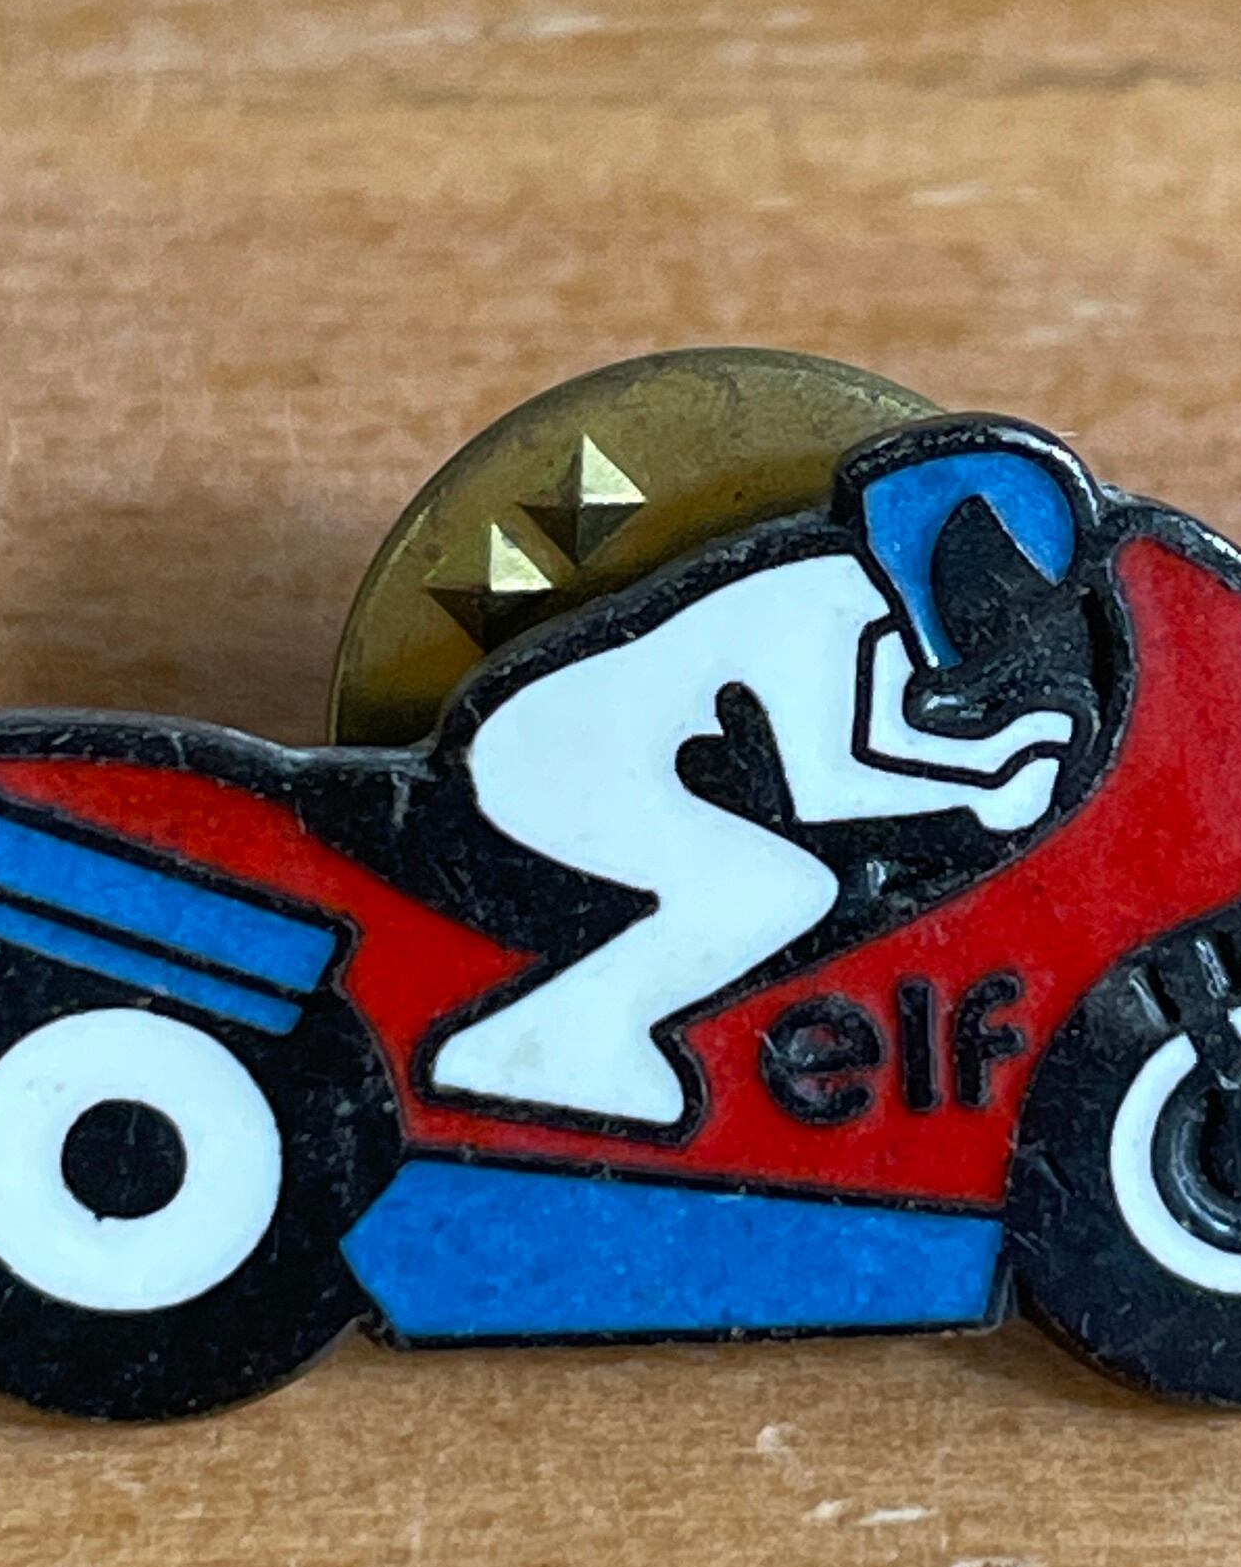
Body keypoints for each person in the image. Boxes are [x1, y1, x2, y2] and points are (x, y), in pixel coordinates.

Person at [429, 432, 1096, 1127]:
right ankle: (531, 1049)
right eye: (1004, 590)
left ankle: (561, 1045)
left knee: (770, 885)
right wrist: (985, 789)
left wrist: (994, 763)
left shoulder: (875, 617)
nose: (1002, 624)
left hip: (588, 756)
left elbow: (884, 746)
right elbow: (827, 788)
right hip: (550, 756)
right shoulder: (823, 596)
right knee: (778, 889)